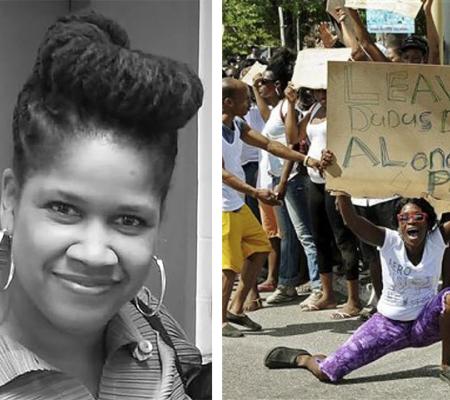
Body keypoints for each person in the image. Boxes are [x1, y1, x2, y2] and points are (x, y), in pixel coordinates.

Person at [0, 11, 207, 399]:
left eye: (129, 219)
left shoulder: (151, 321)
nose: (96, 255)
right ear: (11, 197)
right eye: (64, 209)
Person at [265, 187, 450, 384]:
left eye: (417, 217)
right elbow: (353, 221)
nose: (411, 221)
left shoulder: (437, 240)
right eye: (404, 218)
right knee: (327, 373)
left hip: (425, 323)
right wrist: (342, 192)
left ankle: (446, 366)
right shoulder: (388, 240)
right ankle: (303, 358)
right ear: (398, 224)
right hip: (388, 325)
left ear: (428, 221)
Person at [222, 77, 323, 337]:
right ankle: (221, 322)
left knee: (259, 249)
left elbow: (269, 144)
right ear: (228, 102)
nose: (249, 104)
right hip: (223, 207)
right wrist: (255, 192)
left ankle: (236, 309)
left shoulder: (238, 124)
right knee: (229, 268)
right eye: (245, 99)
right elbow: (221, 173)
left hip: (237, 203)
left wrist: (306, 159)